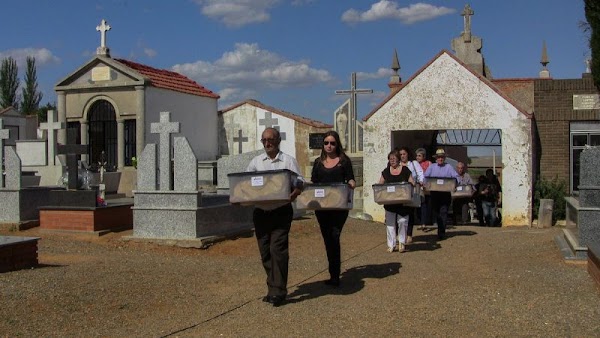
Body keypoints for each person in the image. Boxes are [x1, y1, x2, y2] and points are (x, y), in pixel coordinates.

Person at [246, 127, 304, 307]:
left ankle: (278, 291)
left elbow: (299, 182)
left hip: (281, 211)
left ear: (278, 140)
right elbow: (245, 184)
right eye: (264, 140)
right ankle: (273, 287)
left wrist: (294, 194)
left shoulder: (288, 161)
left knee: (277, 250)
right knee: (265, 252)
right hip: (261, 213)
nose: (267, 143)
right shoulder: (256, 162)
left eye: (270, 139)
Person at [311, 131, 356, 287]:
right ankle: (333, 273)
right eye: (326, 143)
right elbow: (314, 183)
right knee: (327, 239)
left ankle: (335, 275)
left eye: (332, 143)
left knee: (334, 236)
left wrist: (351, 184)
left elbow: (351, 178)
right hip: (322, 207)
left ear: (337, 144)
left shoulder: (344, 161)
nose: (329, 146)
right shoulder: (318, 162)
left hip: (339, 206)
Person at [379, 150, 415, 253]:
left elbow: (411, 182)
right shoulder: (385, 171)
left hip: (403, 202)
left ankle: (402, 243)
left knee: (402, 222)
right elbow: (380, 184)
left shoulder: (405, 170)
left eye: (394, 158)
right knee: (390, 224)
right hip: (390, 202)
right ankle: (391, 245)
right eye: (390, 159)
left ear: (399, 159)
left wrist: (410, 186)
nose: (392, 160)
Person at [424, 149, 459, 240]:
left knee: (443, 212)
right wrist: (425, 184)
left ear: (444, 158)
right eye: (439, 157)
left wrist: (455, 184)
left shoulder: (449, 167)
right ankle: (440, 228)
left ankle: (441, 232)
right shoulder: (432, 167)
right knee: (436, 212)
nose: (440, 159)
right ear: (436, 158)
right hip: (434, 193)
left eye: (442, 157)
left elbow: (456, 177)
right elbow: (425, 177)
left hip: (445, 194)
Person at [398, 147, 424, 243]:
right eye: (400, 154)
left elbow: (420, 173)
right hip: (400, 192)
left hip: (411, 191)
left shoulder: (413, 163)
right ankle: (400, 234)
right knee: (400, 213)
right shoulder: (398, 165)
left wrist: (421, 181)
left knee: (410, 213)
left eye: (404, 154)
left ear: (407, 154)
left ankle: (409, 234)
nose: (402, 156)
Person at [451, 162, 475, 226]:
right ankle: (455, 221)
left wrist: (471, 190)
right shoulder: (453, 175)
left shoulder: (467, 175)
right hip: (456, 196)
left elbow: (472, 185)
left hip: (465, 195)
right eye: (459, 168)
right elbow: (450, 185)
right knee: (455, 208)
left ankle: (464, 221)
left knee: (465, 206)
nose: (460, 170)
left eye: (461, 168)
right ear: (456, 168)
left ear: (463, 168)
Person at [415, 148, 432, 231]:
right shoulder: (414, 164)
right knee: (419, 205)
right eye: (417, 156)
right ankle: (421, 221)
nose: (417, 157)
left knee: (424, 205)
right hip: (417, 187)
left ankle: (424, 223)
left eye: (419, 156)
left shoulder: (429, 163)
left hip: (427, 187)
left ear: (423, 156)